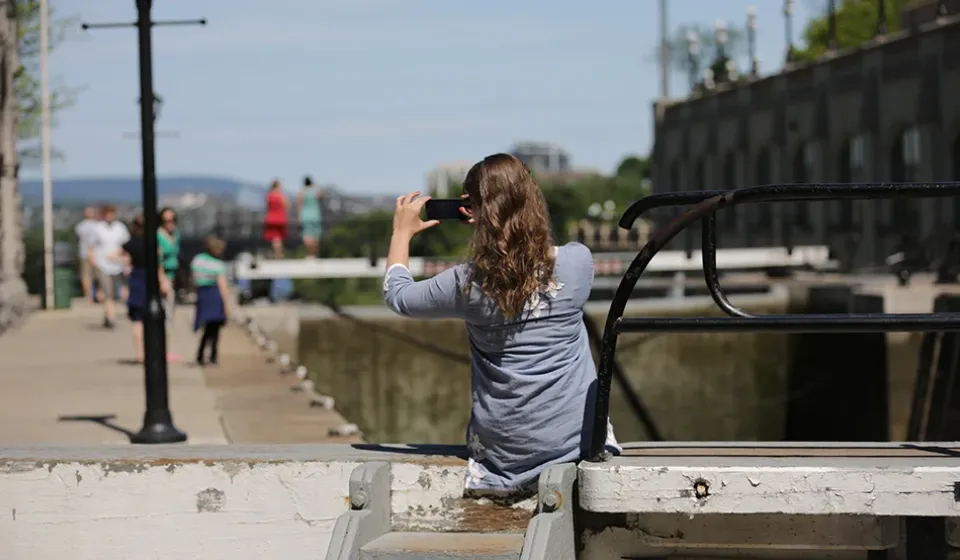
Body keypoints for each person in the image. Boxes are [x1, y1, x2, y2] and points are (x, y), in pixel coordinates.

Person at [382, 153, 620, 498]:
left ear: (471, 210)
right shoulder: (577, 262)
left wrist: (402, 233)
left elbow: (398, 295)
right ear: (533, 199)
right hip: (579, 443)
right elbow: (532, 257)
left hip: (506, 455)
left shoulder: (465, 284)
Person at [119, 215, 171, 363]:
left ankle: (140, 354)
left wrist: (124, 263)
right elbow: (158, 265)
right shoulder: (153, 244)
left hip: (136, 280)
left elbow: (115, 255)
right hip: (149, 280)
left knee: (137, 320)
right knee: (153, 320)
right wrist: (163, 281)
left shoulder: (130, 244)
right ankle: (154, 352)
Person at [191, 235, 230, 366]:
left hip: (203, 294)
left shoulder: (197, 260)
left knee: (206, 328)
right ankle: (213, 356)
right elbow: (223, 286)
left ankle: (200, 355)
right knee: (215, 329)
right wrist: (226, 306)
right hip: (214, 294)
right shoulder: (218, 265)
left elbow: (193, 280)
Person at [89, 205, 130, 328]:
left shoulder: (120, 228)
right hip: (103, 264)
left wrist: (124, 259)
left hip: (118, 265)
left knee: (122, 290)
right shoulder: (97, 228)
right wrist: (94, 262)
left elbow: (126, 246)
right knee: (108, 292)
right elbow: (91, 247)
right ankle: (111, 316)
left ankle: (109, 314)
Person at [157, 207, 181, 321]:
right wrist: (162, 279)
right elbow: (158, 259)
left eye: (173, 219)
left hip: (173, 273)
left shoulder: (176, 234)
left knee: (170, 306)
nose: (170, 223)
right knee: (165, 306)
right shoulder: (158, 235)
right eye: (166, 220)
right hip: (163, 274)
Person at [74, 206, 100, 301]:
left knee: (86, 276)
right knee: (96, 276)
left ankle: (89, 295)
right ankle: (96, 294)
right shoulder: (98, 225)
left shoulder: (80, 226)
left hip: (85, 254)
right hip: (96, 255)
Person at [296, 175, 325, 258]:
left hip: (305, 216)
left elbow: (299, 206)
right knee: (316, 235)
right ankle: (315, 254)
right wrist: (316, 186)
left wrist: (298, 218)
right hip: (316, 215)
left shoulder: (302, 192)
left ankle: (309, 254)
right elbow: (322, 195)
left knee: (307, 235)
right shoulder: (315, 191)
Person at [263, 180, 289, 258]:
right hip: (280, 218)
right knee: (279, 237)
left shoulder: (269, 195)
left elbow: (267, 206)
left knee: (275, 238)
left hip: (271, 218)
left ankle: (277, 253)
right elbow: (286, 205)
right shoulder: (281, 196)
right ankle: (279, 253)